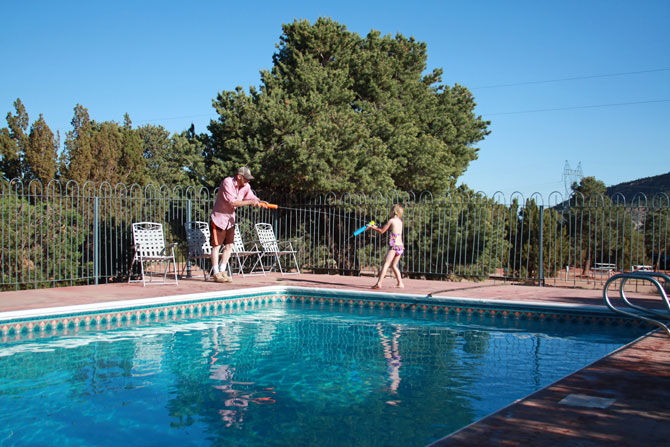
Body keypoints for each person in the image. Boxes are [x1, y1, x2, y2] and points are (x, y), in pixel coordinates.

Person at [210, 166, 261, 283]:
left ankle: (223, 271)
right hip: (219, 218)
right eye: (246, 178)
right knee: (216, 246)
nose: (248, 181)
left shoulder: (246, 186)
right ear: (239, 176)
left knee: (229, 246)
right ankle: (215, 273)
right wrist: (250, 202)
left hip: (230, 220)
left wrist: (259, 201)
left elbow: (251, 196)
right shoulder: (227, 182)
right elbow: (233, 202)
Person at [370, 204, 405, 289]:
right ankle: (400, 283)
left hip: (394, 246)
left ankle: (379, 283)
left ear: (393, 211)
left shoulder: (391, 220)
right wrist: (375, 227)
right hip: (400, 246)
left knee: (386, 264)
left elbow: (382, 231)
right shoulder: (400, 222)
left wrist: (372, 227)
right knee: (394, 265)